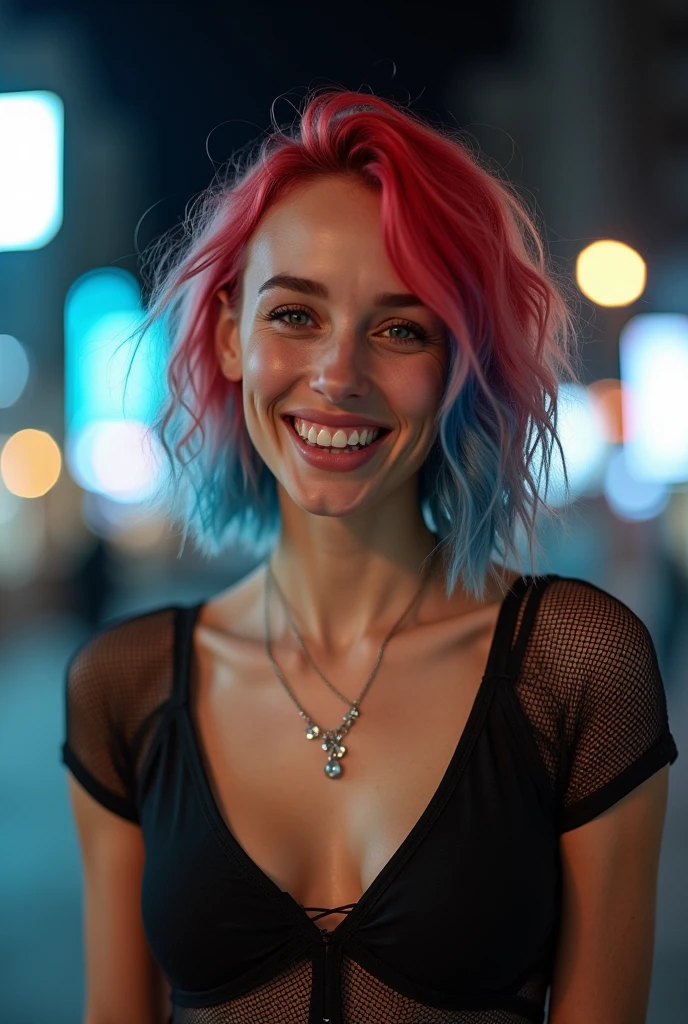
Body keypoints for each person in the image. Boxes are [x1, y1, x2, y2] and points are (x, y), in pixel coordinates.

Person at [61, 88, 679, 1024]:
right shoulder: (127, 686)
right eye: (295, 316)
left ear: (459, 362)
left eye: (400, 328)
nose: (338, 376)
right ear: (232, 335)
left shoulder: (578, 668)